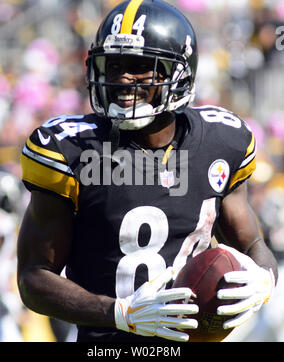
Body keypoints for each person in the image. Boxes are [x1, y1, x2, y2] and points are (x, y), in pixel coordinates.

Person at [17, 0, 278, 343]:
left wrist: (264, 279)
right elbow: (33, 277)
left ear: (178, 74)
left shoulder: (221, 141)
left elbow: (253, 244)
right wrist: (119, 313)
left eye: (140, 66)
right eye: (113, 66)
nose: (122, 79)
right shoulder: (70, 149)